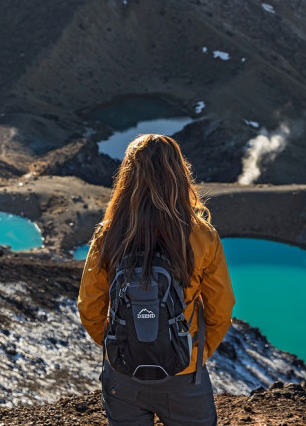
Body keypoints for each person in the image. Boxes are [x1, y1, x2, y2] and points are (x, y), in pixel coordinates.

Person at [78, 133, 235, 426]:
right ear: (179, 174)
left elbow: (89, 306)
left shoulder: (109, 234)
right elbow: (221, 310)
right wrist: (195, 355)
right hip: (184, 375)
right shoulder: (201, 235)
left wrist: (121, 346)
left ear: (128, 177)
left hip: (123, 375)